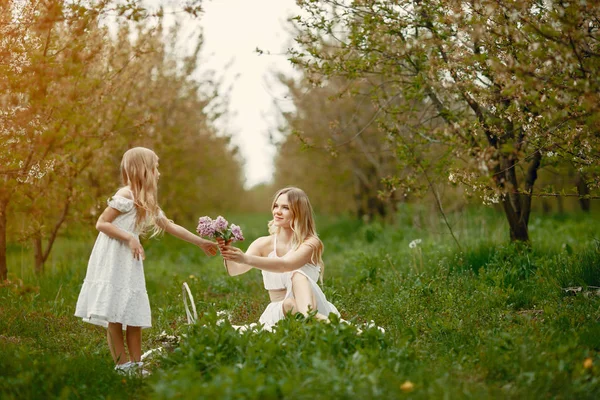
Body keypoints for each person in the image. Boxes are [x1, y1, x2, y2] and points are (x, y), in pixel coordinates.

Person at [74, 147, 218, 375]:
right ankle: (123, 367)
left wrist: (200, 242)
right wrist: (129, 237)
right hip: (114, 257)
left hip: (129, 259)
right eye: (156, 167)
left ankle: (136, 365)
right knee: (115, 313)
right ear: (144, 170)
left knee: (132, 312)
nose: (159, 172)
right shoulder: (125, 195)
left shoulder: (145, 200)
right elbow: (102, 223)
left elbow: (169, 226)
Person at [218, 187, 340, 331]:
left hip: (312, 305)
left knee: (299, 274)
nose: (277, 211)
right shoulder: (262, 244)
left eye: (285, 208)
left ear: (299, 212)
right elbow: (235, 271)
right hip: (280, 311)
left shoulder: (311, 243)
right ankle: (320, 322)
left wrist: (245, 258)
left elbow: (286, 265)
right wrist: (227, 250)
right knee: (289, 304)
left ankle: (312, 317)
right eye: (276, 206)